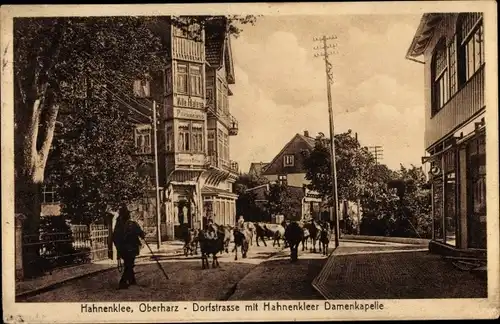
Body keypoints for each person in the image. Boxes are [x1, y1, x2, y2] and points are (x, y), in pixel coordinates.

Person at [112, 204, 145, 289]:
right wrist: (142, 235)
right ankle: (122, 283)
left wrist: (118, 248)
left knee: (128, 263)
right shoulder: (132, 224)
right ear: (128, 214)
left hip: (122, 249)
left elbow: (114, 237)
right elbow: (141, 234)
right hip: (132, 248)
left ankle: (132, 280)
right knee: (129, 265)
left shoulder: (118, 225)